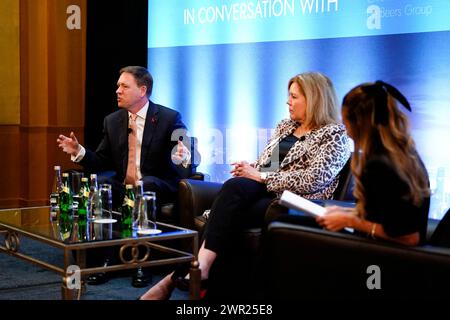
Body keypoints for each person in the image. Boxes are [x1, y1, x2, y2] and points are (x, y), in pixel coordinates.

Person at [139, 71, 351, 300]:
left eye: (294, 97)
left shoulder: (333, 134)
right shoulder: (287, 128)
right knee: (236, 187)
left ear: (314, 98)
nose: (287, 102)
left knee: (231, 210)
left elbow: (314, 179)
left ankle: (178, 277)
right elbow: (269, 167)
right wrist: (250, 169)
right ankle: (202, 270)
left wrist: (259, 176)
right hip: (265, 194)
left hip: (295, 203)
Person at [57, 66, 191, 286]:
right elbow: (101, 161)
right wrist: (79, 151)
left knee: (143, 185)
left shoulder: (168, 118)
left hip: (157, 183)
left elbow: (186, 152)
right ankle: (103, 259)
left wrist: (183, 154)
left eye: (124, 86)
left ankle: (141, 262)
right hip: (125, 185)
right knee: (99, 184)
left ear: (142, 90)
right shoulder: (112, 121)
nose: (117, 90)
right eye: (118, 86)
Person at [316, 81, 430, 246]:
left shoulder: (379, 164)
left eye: (345, 118)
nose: (344, 126)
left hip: (381, 257)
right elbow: (383, 212)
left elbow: (409, 237)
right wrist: (348, 212)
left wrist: (349, 220)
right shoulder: (405, 155)